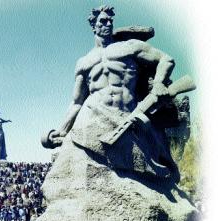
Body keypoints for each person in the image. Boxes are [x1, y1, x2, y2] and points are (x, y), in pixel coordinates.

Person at [43, 5, 180, 181]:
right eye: (103, 21)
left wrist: (159, 83)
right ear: (94, 25)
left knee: (156, 162)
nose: (108, 24)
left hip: (127, 115)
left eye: (110, 21)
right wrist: (61, 131)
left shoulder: (129, 47)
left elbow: (166, 59)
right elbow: (77, 102)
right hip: (92, 118)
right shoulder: (84, 62)